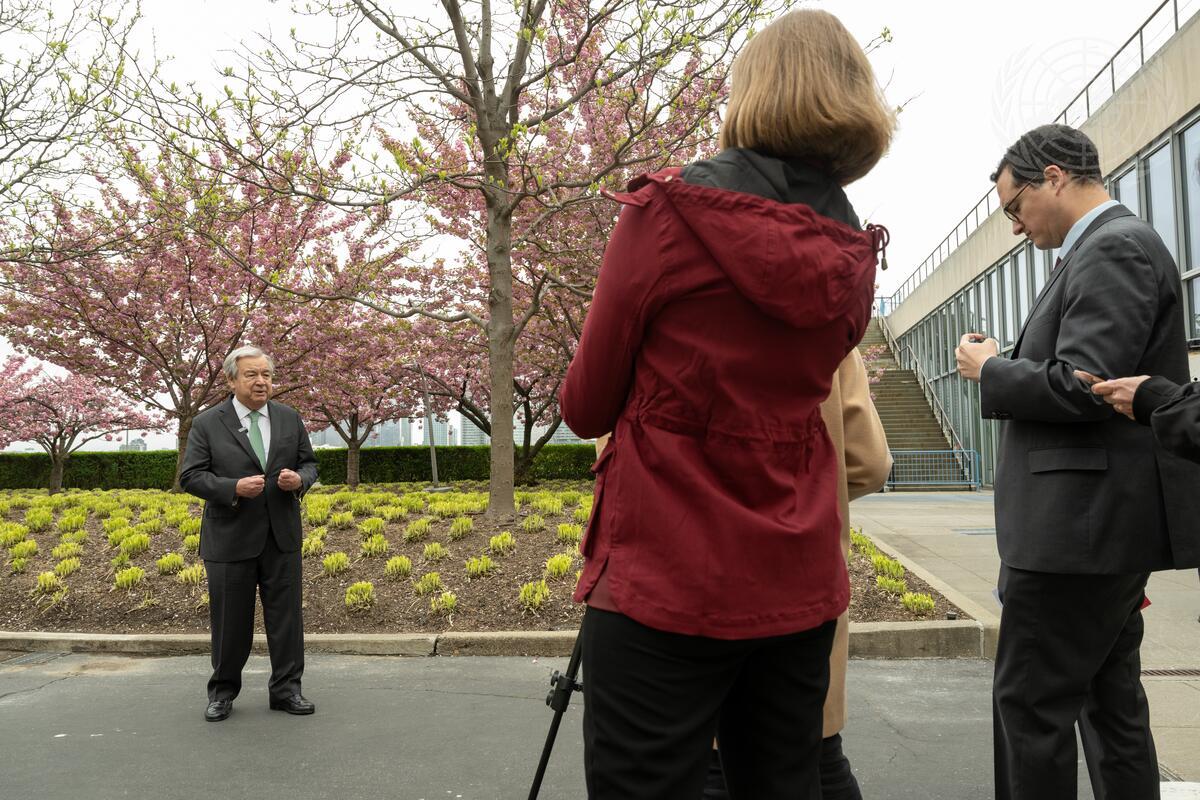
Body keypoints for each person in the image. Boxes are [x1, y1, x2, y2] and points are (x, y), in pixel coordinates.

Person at [559, 9, 894, 798]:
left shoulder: (665, 217)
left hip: (664, 573)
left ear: (752, 94)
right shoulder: (853, 256)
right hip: (796, 578)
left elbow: (585, 407)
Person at [955, 124, 1200, 800]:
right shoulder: (1109, 246)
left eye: (1015, 206)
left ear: (1055, 177)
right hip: (1096, 530)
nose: (1014, 226)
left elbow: (1086, 384)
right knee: (1110, 704)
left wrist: (992, 369)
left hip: (1078, 534)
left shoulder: (1113, 247)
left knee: (1030, 707)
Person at [703, 348, 892, 800]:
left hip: (702, 587)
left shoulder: (661, 319)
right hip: (805, 580)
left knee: (710, 770)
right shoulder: (830, 331)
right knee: (816, 761)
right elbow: (870, 463)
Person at [180, 346, 319, 722]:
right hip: (229, 538)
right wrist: (233, 488)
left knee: (286, 620)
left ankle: (287, 690)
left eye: (267, 375)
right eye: (252, 375)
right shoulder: (208, 423)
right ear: (231, 380)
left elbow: (309, 464)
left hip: (281, 537)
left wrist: (299, 480)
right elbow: (191, 476)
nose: (261, 382)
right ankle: (222, 693)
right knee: (230, 623)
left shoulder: (289, 417)